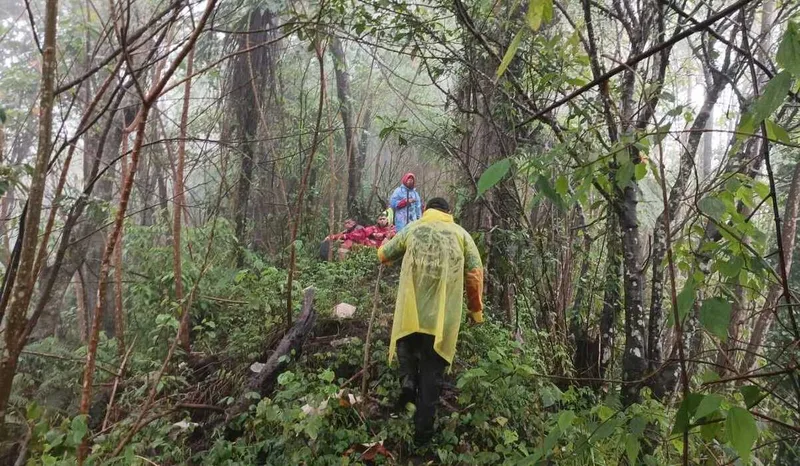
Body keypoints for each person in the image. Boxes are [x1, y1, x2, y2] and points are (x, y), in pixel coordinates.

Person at [377, 197, 484, 445]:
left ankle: (407, 380)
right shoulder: (462, 235)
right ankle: (422, 436)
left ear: (425, 211)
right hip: (441, 321)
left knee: (406, 344)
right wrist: (475, 310)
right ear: (450, 212)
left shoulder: (413, 228)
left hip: (412, 314)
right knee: (431, 374)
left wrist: (382, 249)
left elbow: (385, 254)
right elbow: (475, 274)